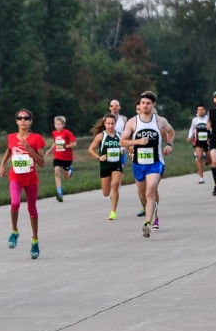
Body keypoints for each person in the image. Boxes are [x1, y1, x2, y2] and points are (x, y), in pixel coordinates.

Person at [120, 91, 175, 238]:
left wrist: (169, 144)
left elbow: (171, 131)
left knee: (150, 192)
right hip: (138, 163)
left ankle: (147, 224)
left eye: (148, 103)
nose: (145, 106)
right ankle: (151, 211)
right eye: (143, 103)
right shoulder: (133, 122)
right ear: (140, 103)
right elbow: (122, 141)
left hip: (155, 163)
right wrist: (137, 142)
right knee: (143, 195)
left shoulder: (160, 121)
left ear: (153, 105)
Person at [0, 108, 47, 258]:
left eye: (26, 118)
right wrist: (2, 165)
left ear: (30, 121)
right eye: (20, 118)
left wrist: (29, 149)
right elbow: (9, 150)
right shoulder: (12, 137)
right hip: (16, 177)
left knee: (32, 209)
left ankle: (35, 241)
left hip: (31, 179)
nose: (23, 120)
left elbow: (42, 163)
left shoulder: (36, 138)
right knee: (15, 203)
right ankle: (14, 231)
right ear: (16, 121)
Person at [89, 114, 123, 219]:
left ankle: (113, 211)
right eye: (108, 123)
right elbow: (90, 149)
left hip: (116, 165)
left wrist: (126, 151)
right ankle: (112, 196)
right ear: (105, 124)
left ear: (115, 124)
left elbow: (128, 146)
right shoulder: (101, 136)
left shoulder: (120, 135)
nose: (110, 126)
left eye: (112, 123)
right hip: (105, 166)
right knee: (106, 192)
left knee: (116, 184)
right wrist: (98, 157)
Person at [45, 116, 76, 202]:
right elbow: (55, 143)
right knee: (57, 171)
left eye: (59, 124)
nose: (57, 126)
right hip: (58, 156)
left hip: (67, 158)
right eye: (56, 124)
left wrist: (65, 146)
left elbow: (74, 144)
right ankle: (59, 193)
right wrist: (50, 150)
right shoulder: (54, 133)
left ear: (63, 125)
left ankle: (69, 171)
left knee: (66, 177)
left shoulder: (67, 133)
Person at [187, 104, 209, 184]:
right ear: (197, 111)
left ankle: (206, 158)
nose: (200, 111)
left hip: (207, 142)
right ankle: (201, 178)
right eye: (199, 110)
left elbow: (212, 129)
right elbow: (191, 128)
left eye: (202, 109)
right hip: (198, 142)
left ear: (205, 110)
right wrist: (189, 136)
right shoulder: (195, 120)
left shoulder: (207, 119)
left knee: (209, 161)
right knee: (199, 157)